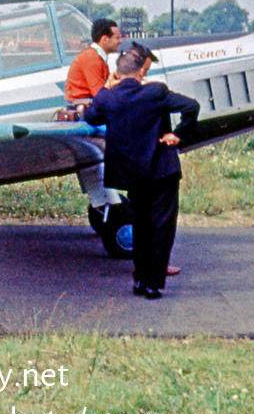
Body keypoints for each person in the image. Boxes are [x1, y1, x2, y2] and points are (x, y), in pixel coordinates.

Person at [83, 43, 199, 300]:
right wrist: (177, 135)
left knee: (142, 226)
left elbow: (91, 116)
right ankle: (153, 284)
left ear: (117, 73)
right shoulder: (156, 92)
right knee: (162, 228)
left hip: (133, 175)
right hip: (162, 172)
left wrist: (108, 87)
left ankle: (139, 279)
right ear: (140, 72)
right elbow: (192, 106)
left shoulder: (107, 98)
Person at [64, 18, 122, 103]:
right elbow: (99, 95)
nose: (120, 41)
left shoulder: (95, 56)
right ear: (105, 39)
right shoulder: (92, 58)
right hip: (84, 105)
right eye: (117, 38)